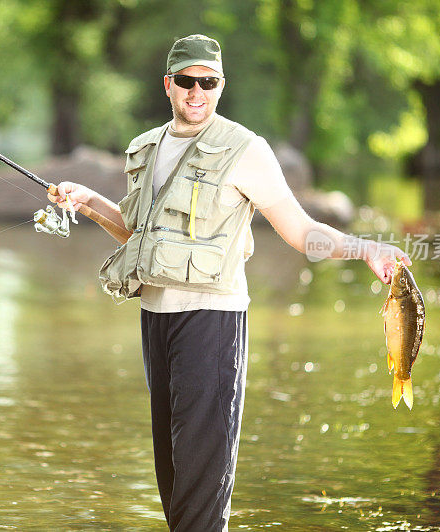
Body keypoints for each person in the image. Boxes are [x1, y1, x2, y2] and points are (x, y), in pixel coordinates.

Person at [49, 34, 410, 531]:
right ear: (168, 85)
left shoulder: (247, 150)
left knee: (201, 486)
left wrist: (365, 247)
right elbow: (138, 232)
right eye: (186, 81)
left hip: (211, 323)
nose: (196, 92)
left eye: (208, 82)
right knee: (172, 481)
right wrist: (89, 200)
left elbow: (302, 233)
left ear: (221, 86)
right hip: (155, 320)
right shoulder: (146, 148)